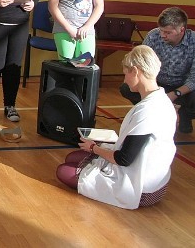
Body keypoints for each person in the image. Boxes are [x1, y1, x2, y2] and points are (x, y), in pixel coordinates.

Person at [57, 45, 176, 209]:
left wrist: (93, 148)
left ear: (136, 71)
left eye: (126, 73)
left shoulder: (148, 110)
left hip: (142, 188)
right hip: (155, 182)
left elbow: (123, 159)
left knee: (63, 170)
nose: (125, 80)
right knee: (72, 158)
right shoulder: (162, 100)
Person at [119, 6, 195, 133]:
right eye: (161, 31)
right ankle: (148, 113)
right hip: (156, 83)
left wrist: (174, 94)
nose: (163, 35)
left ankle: (186, 115)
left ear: (181, 30)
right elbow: (141, 64)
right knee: (126, 88)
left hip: (183, 86)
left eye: (168, 32)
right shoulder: (153, 35)